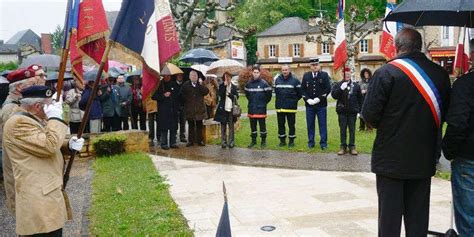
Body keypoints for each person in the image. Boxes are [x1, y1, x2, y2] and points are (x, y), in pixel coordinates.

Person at [361, 28, 451, 237]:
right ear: (419, 46)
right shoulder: (440, 74)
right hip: (423, 157)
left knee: (389, 222)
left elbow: (369, 115)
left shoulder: (386, 72)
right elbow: (445, 113)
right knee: (418, 221)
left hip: (390, 160)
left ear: (397, 46)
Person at [3, 85, 84, 236]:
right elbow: (49, 146)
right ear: (37, 106)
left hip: (46, 196)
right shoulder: (18, 123)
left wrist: (68, 146)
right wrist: (55, 118)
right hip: (37, 202)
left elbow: (44, 143)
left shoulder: (34, 118)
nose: (52, 108)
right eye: (49, 104)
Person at [2, 65, 45, 216]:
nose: (36, 87)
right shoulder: (11, 110)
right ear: (19, 87)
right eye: (32, 84)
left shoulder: (20, 105)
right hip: (19, 175)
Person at [442, 70, 474, 236]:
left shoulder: (466, 84)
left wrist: (449, 150)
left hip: (469, 159)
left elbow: (457, 122)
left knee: (469, 223)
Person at [331, 67, 363, 155]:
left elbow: (360, 99)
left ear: (351, 74)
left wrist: (360, 111)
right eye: (345, 73)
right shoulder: (338, 85)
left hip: (352, 112)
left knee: (352, 130)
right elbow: (334, 96)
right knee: (343, 129)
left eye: (349, 73)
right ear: (342, 74)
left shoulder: (356, 86)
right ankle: (343, 147)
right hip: (342, 111)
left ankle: (352, 147)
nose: (347, 75)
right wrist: (341, 88)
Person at [301, 57, 331, 150]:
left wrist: (319, 99)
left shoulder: (324, 75)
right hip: (309, 106)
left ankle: (323, 143)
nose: (315, 67)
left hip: (321, 105)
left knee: (322, 124)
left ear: (319, 65)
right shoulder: (306, 75)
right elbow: (302, 90)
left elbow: (328, 89)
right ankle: (311, 142)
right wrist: (307, 99)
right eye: (313, 65)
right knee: (310, 124)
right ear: (310, 66)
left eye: (316, 65)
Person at [245, 65, 272, 148]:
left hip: (261, 109)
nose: (255, 74)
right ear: (252, 73)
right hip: (252, 109)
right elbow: (247, 95)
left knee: (262, 127)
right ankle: (253, 141)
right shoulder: (248, 84)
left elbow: (269, 96)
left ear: (259, 73)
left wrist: (263, 103)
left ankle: (263, 142)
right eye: (254, 72)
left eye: (257, 72)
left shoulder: (264, 83)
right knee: (253, 127)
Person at [274, 64, 302, 147]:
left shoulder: (295, 80)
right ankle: (282, 141)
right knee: (281, 125)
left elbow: (300, 93)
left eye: (286, 70)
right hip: (280, 108)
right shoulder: (277, 80)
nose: (284, 72)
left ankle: (291, 141)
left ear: (289, 70)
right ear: (281, 71)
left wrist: (293, 101)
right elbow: (276, 92)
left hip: (291, 108)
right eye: (283, 70)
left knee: (291, 125)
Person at [180, 70, 209, 146]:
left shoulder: (200, 85)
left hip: (199, 109)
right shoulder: (186, 85)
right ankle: (190, 141)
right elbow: (181, 94)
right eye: (192, 75)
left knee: (199, 125)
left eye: (195, 76)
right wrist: (186, 100)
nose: (194, 77)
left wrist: (201, 84)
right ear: (189, 77)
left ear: (197, 77)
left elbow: (206, 91)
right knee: (191, 125)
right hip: (190, 109)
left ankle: (200, 140)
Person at [153, 75, 180, 150]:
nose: (167, 77)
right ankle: (164, 143)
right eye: (165, 75)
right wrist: (163, 95)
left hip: (173, 109)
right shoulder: (160, 85)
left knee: (173, 126)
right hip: (163, 110)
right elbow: (154, 96)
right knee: (164, 127)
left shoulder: (174, 84)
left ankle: (173, 142)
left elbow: (178, 95)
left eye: (168, 75)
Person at [214, 72, 239, 148]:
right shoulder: (221, 86)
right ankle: (223, 142)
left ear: (231, 78)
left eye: (228, 77)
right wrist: (224, 87)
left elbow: (237, 97)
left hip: (231, 109)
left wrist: (231, 96)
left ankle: (231, 142)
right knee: (223, 126)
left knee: (231, 126)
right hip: (223, 109)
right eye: (225, 77)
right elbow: (220, 95)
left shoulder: (233, 87)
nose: (227, 78)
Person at [175, 73, 186, 142]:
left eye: (181, 76)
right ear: (176, 76)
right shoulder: (173, 84)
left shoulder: (184, 85)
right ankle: (174, 135)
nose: (180, 77)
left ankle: (182, 136)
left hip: (183, 105)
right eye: (178, 76)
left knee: (183, 122)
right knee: (175, 121)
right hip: (175, 105)